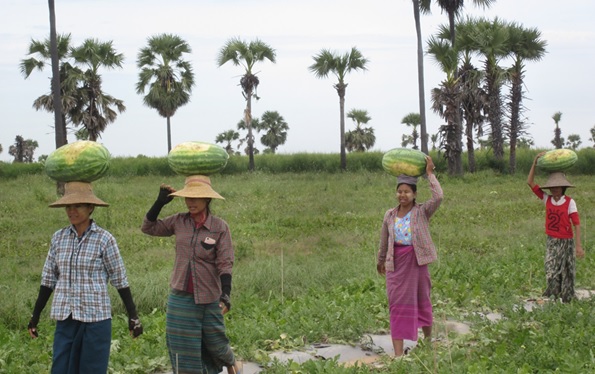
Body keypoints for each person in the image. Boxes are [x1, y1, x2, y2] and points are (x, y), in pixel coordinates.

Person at [28, 181, 143, 374]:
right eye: (68, 206)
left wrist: (133, 316)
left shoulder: (104, 239)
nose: (72, 211)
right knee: (61, 368)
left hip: (96, 318)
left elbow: (120, 279)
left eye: (78, 206)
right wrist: (35, 315)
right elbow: (48, 280)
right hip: (66, 317)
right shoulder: (59, 238)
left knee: (92, 369)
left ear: (90, 208)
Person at [141, 175, 242, 374]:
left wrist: (226, 294)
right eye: (188, 198)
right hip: (180, 297)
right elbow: (148, 227)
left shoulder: (219, 227)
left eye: (196, 198)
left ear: (207, 200)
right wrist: (159, 203)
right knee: (181, 346)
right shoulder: (179, 221)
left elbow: (225, 262)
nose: (190, 202)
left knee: (216, 342)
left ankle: (232, 365)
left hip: (208, 298)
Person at [377, 156, 443, 357]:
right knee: (396, 305)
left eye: (406, 192)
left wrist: (430, 174)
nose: (402, 195)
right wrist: (380, 260)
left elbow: (438, 197)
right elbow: (384, 239)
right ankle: (398, 356)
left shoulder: (422, 211)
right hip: (395, 265)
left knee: (423, 300)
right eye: (399, 191)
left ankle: (428, 341)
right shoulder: (389, 215)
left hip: (416, 263)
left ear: (414, 194)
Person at [527, 153, 584, 303]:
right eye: (552, 187)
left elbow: (576, 224)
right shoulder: (547, 199)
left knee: (567, 271)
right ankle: (553, 294)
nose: (554, 189)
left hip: (566, 242)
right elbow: (530, 182)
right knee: (551, 269)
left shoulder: (570, 202)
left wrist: (578, 246)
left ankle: (567, 298)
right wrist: (535, 162)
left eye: (557, 187)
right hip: (552, 241)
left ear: (563, 187)